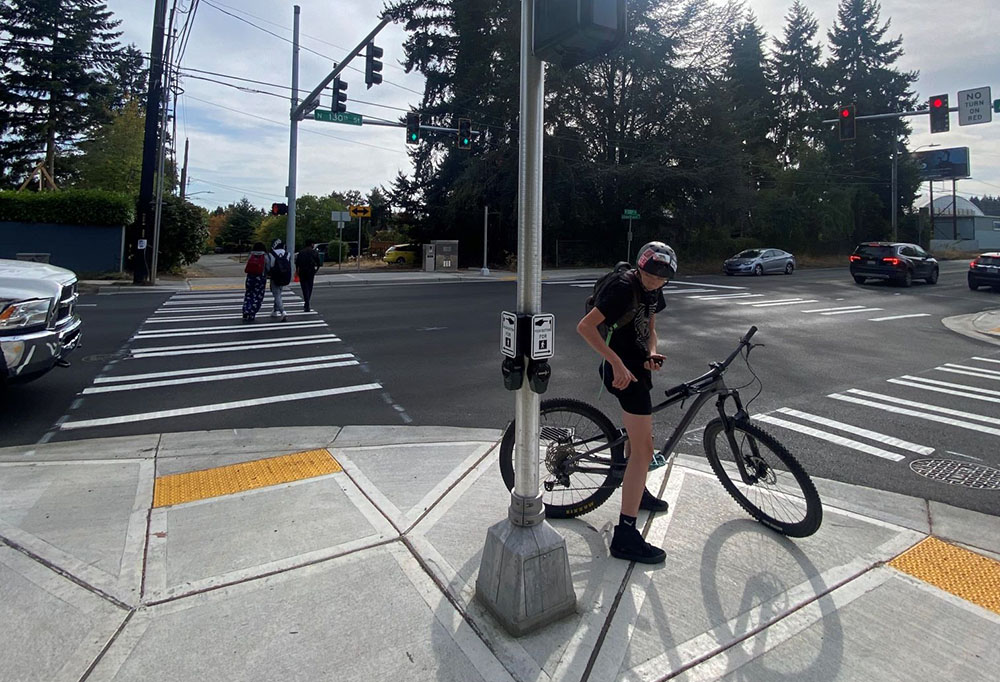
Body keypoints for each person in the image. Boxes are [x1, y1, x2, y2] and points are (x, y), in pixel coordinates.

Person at [576, 241, 677, 564]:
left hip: (637, 367)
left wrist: (650, 353)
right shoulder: (622, 288)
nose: (656, 283)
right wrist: (617, 363)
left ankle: (639, 491)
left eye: (663, 279)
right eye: (652, 276)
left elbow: (650, 328)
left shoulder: (653, 292)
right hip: (621, 372)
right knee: (645, 450)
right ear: (641, 268)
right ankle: (625, 536)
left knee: (639, 444)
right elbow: (585, 327)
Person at [242, 241, 268, 322]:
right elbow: (268, 267)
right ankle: (252, 313)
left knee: (248, 294)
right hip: (260, 278)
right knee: (257, 296)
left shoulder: (251, 255)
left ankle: (246, 310)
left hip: (250, 277)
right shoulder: (265, 256)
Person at [294, 239, 322, 312]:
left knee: (304, 288)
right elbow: (319, 263)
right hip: (310, 271)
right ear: (311, 244)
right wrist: (316, 270)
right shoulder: (314, 252)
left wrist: (297, 271)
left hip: (302, 271)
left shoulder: (301, 252)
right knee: (309, 287)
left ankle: (307, 303)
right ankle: (307, 303)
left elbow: (297, 263)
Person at [266, 238, 290, 322]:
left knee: (276, 294)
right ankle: (275, 310)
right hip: (284, 276)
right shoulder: (287, 254)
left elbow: (269, 266)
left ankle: (283, 312)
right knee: (278, 293)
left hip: (275, 276)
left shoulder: (271, 254)